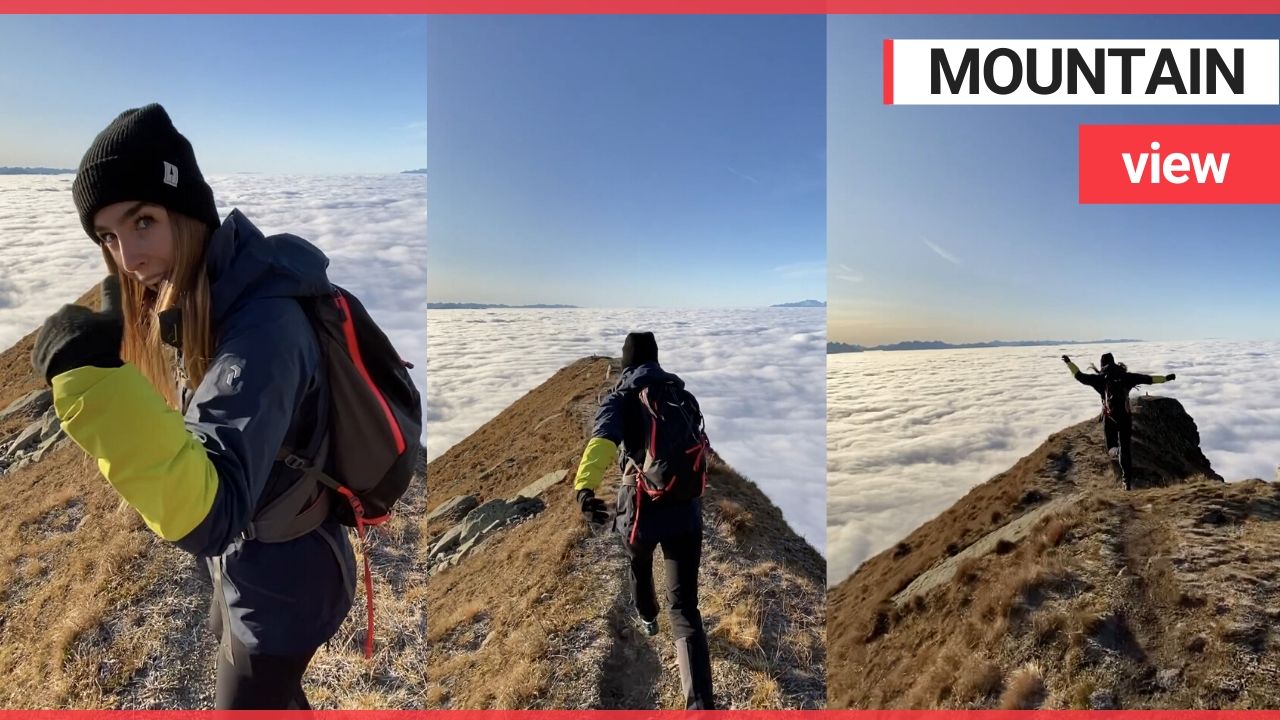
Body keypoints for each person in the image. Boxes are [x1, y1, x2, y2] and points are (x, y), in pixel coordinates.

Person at [30, 104, 355, 709]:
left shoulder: (262, 326)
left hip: (286, 579)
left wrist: (93, 388)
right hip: (256, 566)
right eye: (109, 237)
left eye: (143, 221)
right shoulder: (206, 297)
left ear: (188, 211)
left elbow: (213, 515)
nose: (128, 257)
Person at [572, 332, 715, 710]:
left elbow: (602, 441)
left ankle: (648, 617)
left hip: (640, 509)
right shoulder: (679, 394)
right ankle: (700, 707)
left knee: (638, 563)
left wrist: (585, 489)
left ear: (626, 362)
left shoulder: (621, 399)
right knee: (685, 609)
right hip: (686, 509)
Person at [1063, 352, 1176, 490]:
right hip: (1125, 417)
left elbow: (1079, 376)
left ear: (1102, 364)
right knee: (1126, 450)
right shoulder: (1127, 377)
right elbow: (1149, 379)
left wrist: (1069, 363)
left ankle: (1116, 452)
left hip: (1110, 418)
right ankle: (1126, 481)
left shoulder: (1099, 379)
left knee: (1111, 447)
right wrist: (1166, 378)